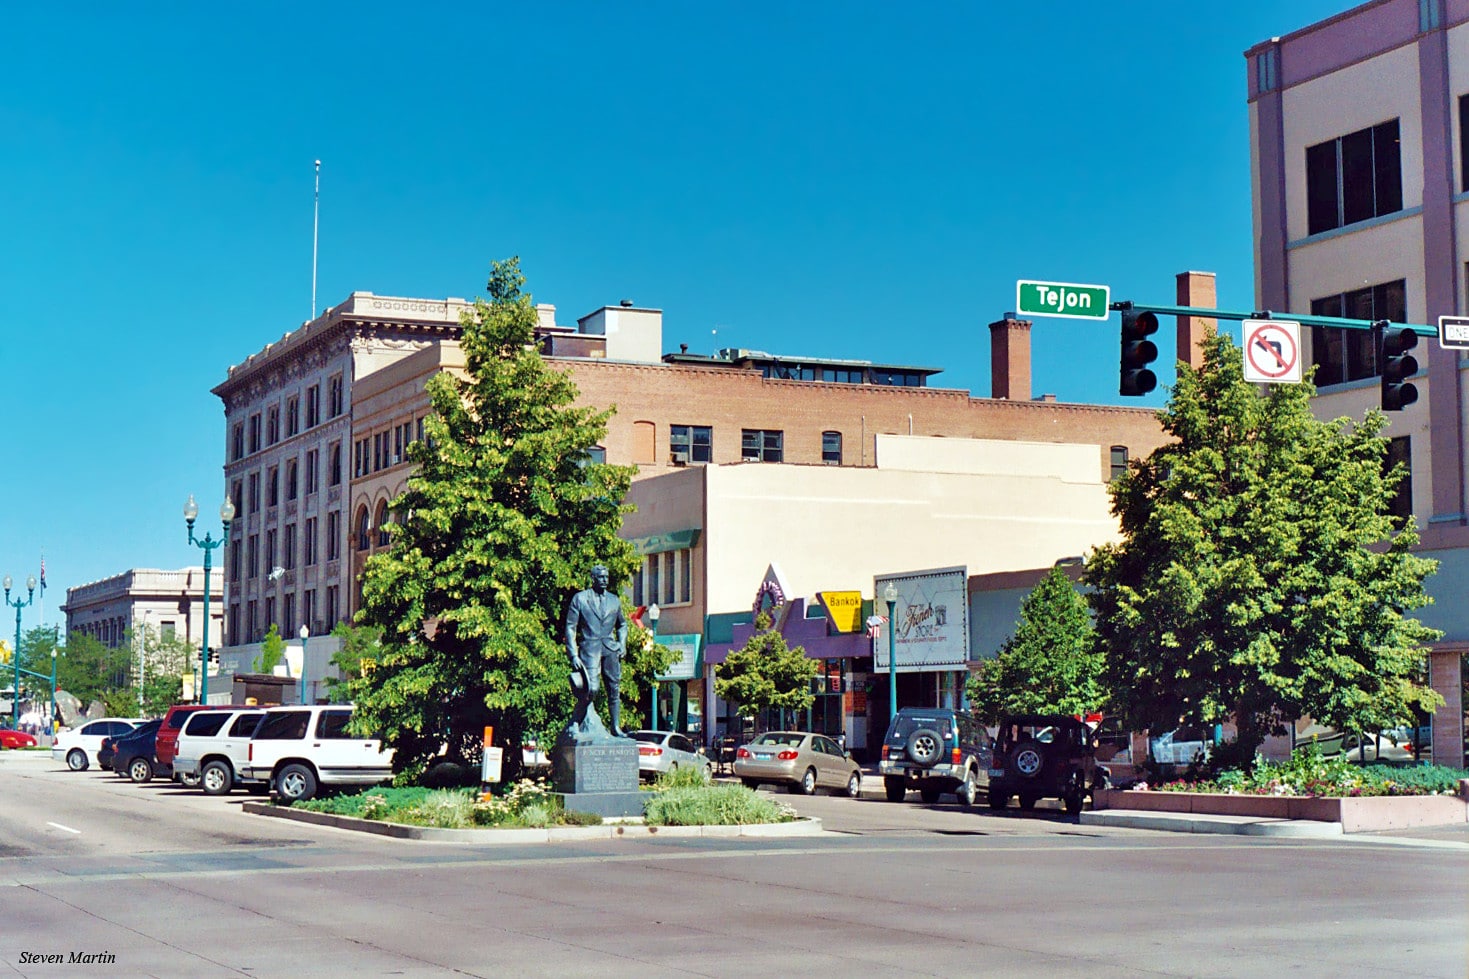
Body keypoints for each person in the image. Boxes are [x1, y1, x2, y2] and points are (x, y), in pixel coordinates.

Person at [564, 564, 629, 738]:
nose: (605, 580)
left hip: (610, 649)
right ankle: (575, 722)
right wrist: (573, 654)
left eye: (607, 577)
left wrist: (622, 644)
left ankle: (615, 727)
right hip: (589, 649)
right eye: (601, 577)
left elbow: (622, 625)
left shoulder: (614, 600)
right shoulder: (580, 598)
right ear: (593, 578)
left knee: (614, 689)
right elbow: (571, 627)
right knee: (591, 689)